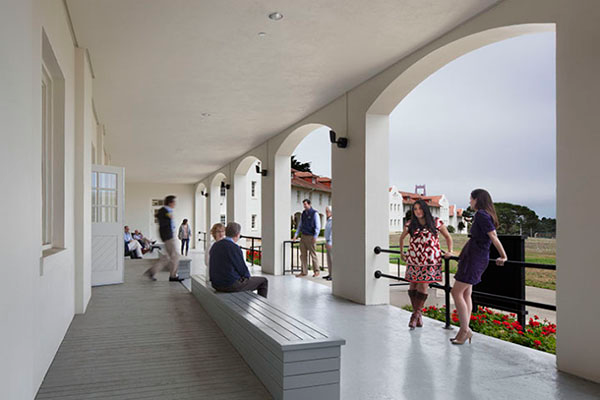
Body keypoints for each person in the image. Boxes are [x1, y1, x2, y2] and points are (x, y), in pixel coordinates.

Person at [450, 189, 507, 345]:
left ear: (478, 199)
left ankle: (465, 329)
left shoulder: (481, 215)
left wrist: (503, 255)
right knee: (466, 293)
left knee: (456, 292)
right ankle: (463, 330)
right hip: (473, 257)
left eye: (471, 199)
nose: (469, 202)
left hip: (474, 258)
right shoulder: (483, 215)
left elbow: (493, 236)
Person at [399, 200, 454, 329]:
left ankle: (415, 315)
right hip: (414, 259)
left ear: (425, 209)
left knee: (423, 287)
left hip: (430, 260)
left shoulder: (436, 222)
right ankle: (417, 315)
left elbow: (448, 237)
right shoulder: (411, 223)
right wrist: (402, 253)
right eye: (415, 209)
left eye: (420, 208)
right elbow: (402, 238)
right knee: (412, 286)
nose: (418, 211)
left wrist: (450, 251)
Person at [209, 222, 268, 298]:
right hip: (229, 285)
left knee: (244, 281)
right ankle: (262, 306)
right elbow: (242, 269)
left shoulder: (215, 245)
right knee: (263, 281)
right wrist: (247, 278)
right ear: (238, 234)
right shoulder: (234, 248)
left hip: (215, 284)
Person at [143, 195, 183, 282]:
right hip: (168, 236)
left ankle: (152, 271)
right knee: (175, 256)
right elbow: (162, 223)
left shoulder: (167, 211)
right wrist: (169, 218)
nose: (175, 204)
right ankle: (173, 276)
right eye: (174, 202)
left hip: (169, 235)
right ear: (170, 202)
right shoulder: (164, 211)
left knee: (168, 257)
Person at [293, 199, 321, 277]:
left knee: (313, 254)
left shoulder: (315, 213)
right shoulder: (303, 214)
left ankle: (316, 271)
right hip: (303, 236)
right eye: (304, 204)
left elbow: (318, 226)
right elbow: (300, 225)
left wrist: (315, 236)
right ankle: (304, 271)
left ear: (309, 204)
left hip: (311, 236)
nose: (304, 206)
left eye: (305, 204)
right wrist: (296, 235)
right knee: (303, 255)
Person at [322, 206, 333, 281]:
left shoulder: (332, 220)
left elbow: (332, 232)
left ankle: (333, 275)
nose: (326, 213)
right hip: (327, 241)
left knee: (332, 260)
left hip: (331, 242)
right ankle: (330, 273)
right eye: (326, 211)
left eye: (327, 211)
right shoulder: (328, 220)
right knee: (328, 260)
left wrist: (330, 242)